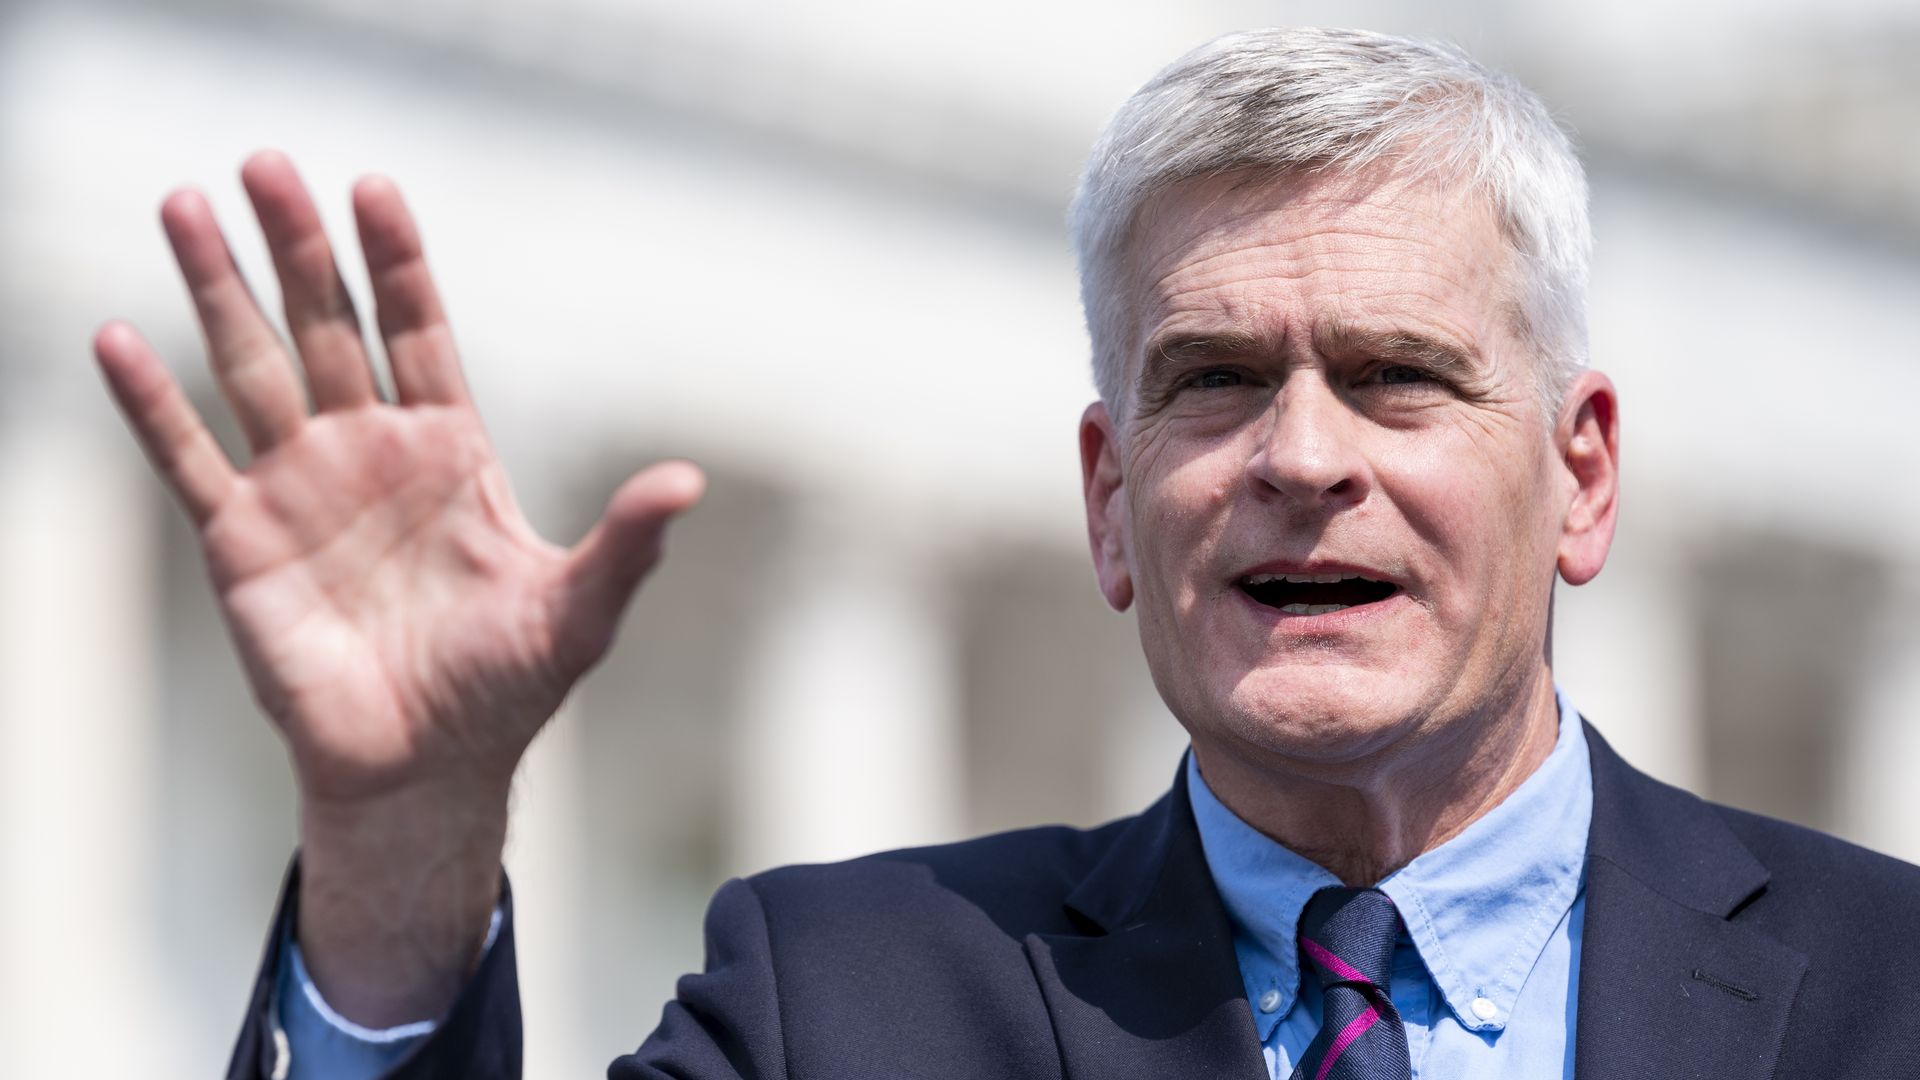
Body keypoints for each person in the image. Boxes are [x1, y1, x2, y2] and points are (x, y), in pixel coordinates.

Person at [94, 27, 1920, 1080]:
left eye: (1396, 379)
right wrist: (402, 843)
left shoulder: (1884, 992)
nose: (1300, 455)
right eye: (1212, 384)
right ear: (1110, 501)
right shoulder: (844, 1004)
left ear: (1582, 474)